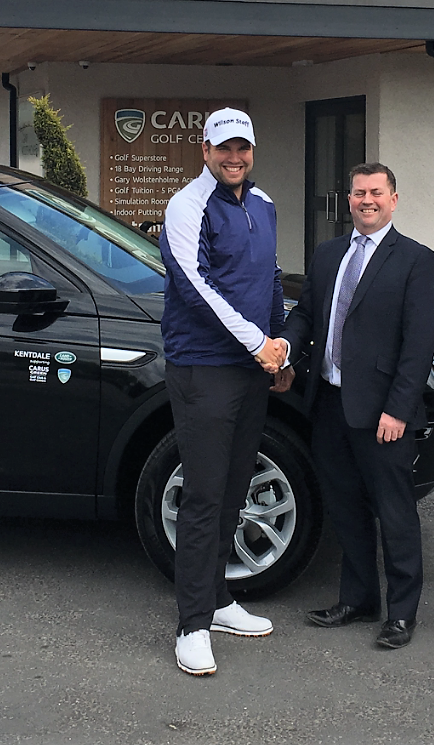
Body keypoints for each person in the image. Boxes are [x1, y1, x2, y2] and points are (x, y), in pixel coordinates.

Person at [277, 163, 434, 649]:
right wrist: (285, 350)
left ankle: (403, 612)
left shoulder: (415, 259)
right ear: (347, 200)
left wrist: (398, 409)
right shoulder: (328, 255)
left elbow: (418, 342)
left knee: (394, 512)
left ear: (393, 199)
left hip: (383, 413)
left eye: (375, 192)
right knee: (345, 507)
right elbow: (307, 316)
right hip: (328, 402)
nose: (366, 200)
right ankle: (358, 598)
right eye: (357, 193)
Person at [159, 107, 291, 676]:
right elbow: (195, 286)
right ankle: (191, 624)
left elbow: (272, 278)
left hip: (249, 369)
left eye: (243, 149)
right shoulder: (187, 204)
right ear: (206, 151)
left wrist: (279, 346)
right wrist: (256, 342)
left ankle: (217, 601)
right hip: (204, 368)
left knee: (235, 486)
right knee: (205, 495)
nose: (234, 158)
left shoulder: (262, 205)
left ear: (252, 152)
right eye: (223, 149)